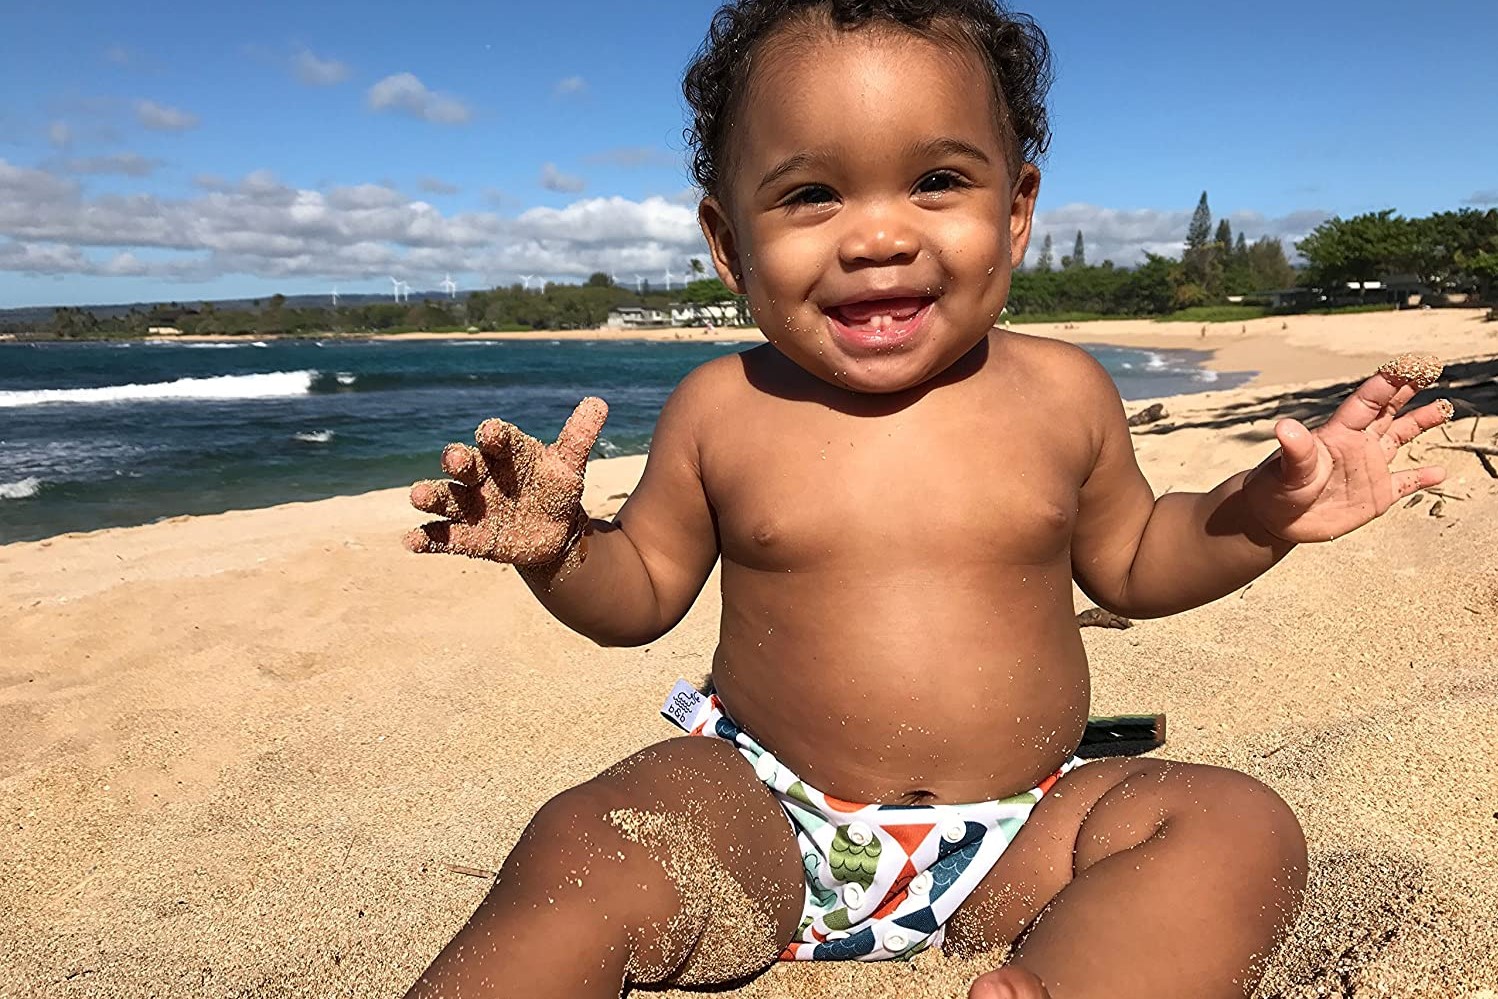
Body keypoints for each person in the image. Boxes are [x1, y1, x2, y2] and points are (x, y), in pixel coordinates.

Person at [400, 2, 1453, 996]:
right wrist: (561, 548)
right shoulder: (721, 407)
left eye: (937, 181)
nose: (876, 237)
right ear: (729, 244)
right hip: (764, 814)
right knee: (585, 840)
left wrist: (1257, 516)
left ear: (1017, 209)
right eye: (811, 195)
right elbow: (640, 598)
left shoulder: (1062, 393)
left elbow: (1136, 559)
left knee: (1233, 822)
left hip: (1023, 829)